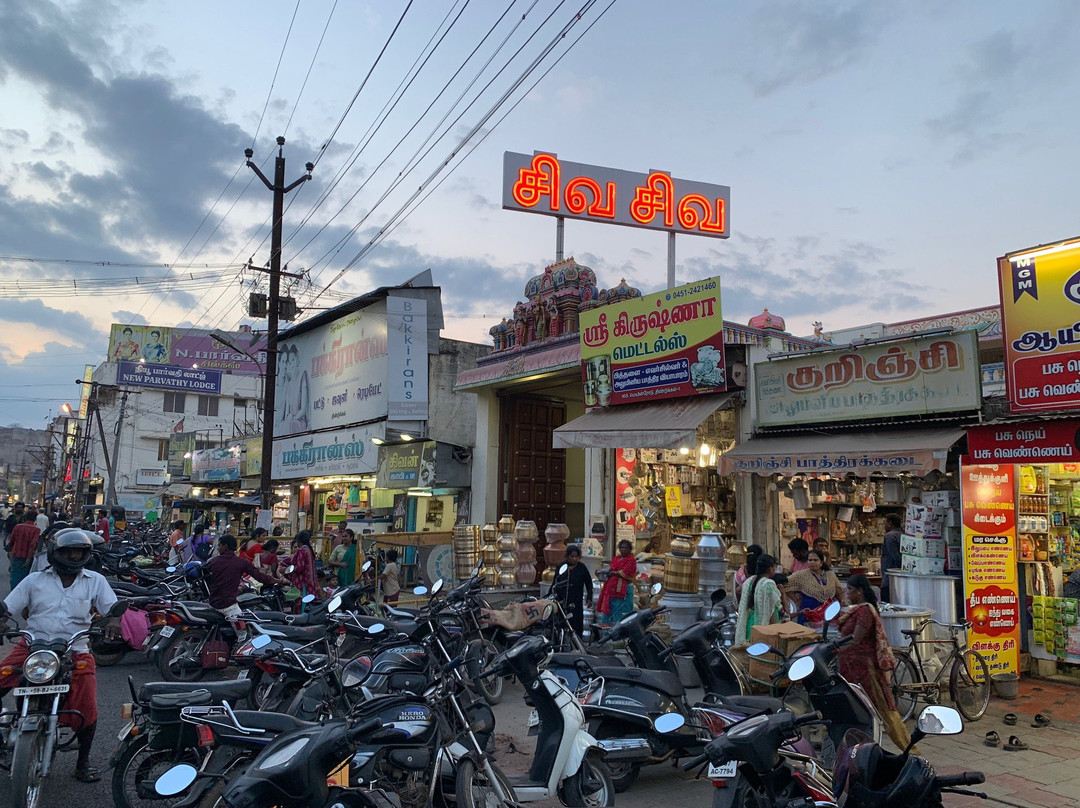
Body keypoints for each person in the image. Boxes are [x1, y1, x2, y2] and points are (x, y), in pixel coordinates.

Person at [0, 528, 123, 782]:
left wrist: (114, 619)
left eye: (79, 552)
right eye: (68, 551)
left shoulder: (95, 581)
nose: (74, 556)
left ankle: (82, 762)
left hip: (74, 649)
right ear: (56, 553)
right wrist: (2, 619)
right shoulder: (35, 580)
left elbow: (112, 608)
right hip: (31, 646)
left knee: (88, 707)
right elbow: (9, 606)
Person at [837, 575, 917, 753]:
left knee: (886, 711)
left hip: (866, 670)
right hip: (852, 670)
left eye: (850, 590)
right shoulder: (856, 610)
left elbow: (856, 639)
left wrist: (835, 649)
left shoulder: (866, 611)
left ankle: (911, 752)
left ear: (860, 591)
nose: (848, 593)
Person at [205, 534, 281, 618]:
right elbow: (260, 577)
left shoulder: (214, 561)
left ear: (225, 546)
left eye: (219, 545)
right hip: (228, 606)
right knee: (243, 630)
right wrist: (277, 581)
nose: (218, 548)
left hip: (213, 602)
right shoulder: (241, 563)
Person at [786, 550, 847, 627]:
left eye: (815, 560)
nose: (812, 562)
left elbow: (840, 591)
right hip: (809, 613)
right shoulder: (801, 575)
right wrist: (796, 600)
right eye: (810, 560)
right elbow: (785, 585)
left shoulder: (830, 575)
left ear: (821, 562)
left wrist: (843, 601)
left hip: (829, 612)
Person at [735, 554, 786, 644]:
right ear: (770, 568)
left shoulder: (750, 580)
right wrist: (777, 629)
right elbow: (771, 609)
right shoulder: (768, 584)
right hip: (764, 624)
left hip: (750, 622)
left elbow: (738, 590)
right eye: (774, 567)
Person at [551, 544, 594, 635]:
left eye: (576, 556)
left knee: (576, 623)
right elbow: (555, 582)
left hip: (576, 601)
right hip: (563, 600)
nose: (574, 559)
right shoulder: (561, 567)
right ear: (567, 556)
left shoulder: (582, 568)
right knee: (562, 623)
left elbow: (589, 583)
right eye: (572, 556)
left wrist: (589, 598)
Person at [597, 539, 637, 626]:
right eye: (622, 547)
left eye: (626, 548)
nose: (624, 549)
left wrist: (613, 573)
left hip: (624, 590)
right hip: (611, 589)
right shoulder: (617, 558)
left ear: (630, 549)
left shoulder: (631, 560)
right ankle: (607, 634)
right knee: (610, 611)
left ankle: (619, 633)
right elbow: (611, 568)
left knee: (621, 612)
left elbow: (627, 573)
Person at [8, 510, 41, 589]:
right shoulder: (36, 529)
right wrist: (29, 558)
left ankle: (13, 592)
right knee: (24, 575)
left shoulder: (18, 526)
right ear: (35, 519)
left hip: (16, 553)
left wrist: (10, 551)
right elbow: (33, 544)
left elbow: (12, 540)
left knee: (15, 574)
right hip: (26, 555)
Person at [288, 530, 319, 602]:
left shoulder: (302, 550)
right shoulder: (309, 549)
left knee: (302, 601)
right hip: (311, 581)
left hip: (303, 581)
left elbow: (299, 567)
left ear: (299, 540)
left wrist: (290, 569)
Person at [880, 514, 903, 602]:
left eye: (885, 523)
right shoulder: (902, 534)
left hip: (890, 577)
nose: (884, 526)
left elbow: (895, 556)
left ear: (890, 523)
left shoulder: (890, 536)